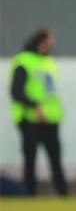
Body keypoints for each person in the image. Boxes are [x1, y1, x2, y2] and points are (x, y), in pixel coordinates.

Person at [9, 27, 68, 196]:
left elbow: (48, 91)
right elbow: (16, 92)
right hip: (30, 119)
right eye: (50, 40)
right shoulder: (24, 61)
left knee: (55, 159)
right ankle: (29, 194)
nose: (53, 44)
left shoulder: (48, 62)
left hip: (50, 119)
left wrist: (57, 109)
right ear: (41, 41)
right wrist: (35, 107)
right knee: (30, 159)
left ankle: (63, 195)